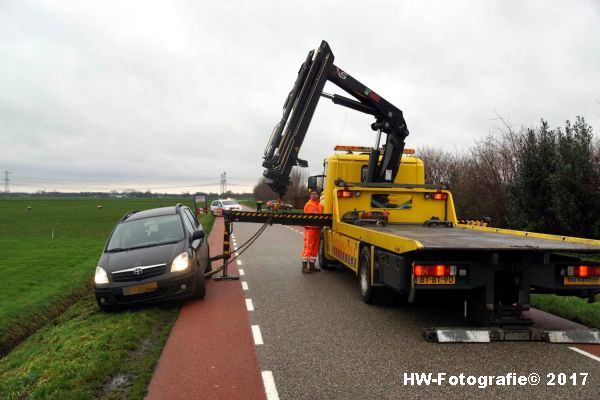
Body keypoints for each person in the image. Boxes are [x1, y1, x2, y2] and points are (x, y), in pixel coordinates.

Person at [302, 189, 323, 273]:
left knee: (315, 247)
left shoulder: (319, 205)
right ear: (310, 196)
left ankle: (312, 265)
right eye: (312, 194)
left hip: (317, 228)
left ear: (318, 195)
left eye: (315, 194)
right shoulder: (309, 204)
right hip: (310, 228)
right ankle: (304, 267)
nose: (313, 195)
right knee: (308, 246)